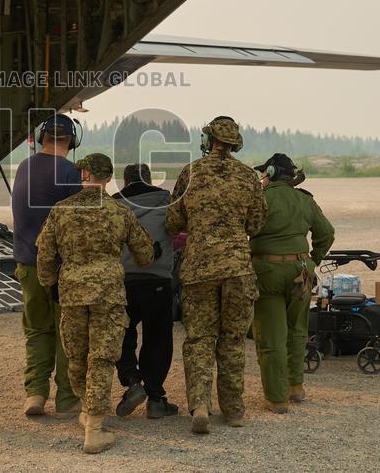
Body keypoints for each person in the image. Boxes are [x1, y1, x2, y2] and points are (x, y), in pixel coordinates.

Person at [37, 153, 154, 454]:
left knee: (77, 356)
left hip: (73, 292)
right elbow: (144, 255)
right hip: (108, 294)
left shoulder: (61, 210)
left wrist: (49, 281)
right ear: (108, 178)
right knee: (101, 359)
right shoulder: (120, 211)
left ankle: (87, 410)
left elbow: (45, 255)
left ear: (84, 175)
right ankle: (95, 426)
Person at [166, 116, 267, 434]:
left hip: (199, 268)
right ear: (236, 143)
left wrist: (197, 224)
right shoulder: (248, 176)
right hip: (237, 269)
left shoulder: (190, 172)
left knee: (199, 339)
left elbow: (173, 220)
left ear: (208, 140)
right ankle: (234, 409)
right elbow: (255, 225)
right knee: (233, 340)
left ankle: (200, 406)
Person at [250, 153, 334, 413]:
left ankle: (276, 399)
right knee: (297, 329)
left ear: (270, 173)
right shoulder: (305, 199)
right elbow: (326, 233)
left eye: (263, 173)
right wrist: (312, 260)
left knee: (272, 335)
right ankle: (295, 387)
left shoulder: (260, 199)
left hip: (267, 273)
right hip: (302, 271)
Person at [11, 114, 82, 417]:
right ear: (72, 141)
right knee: (67, 333)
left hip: (27, 266)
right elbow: (78, 224)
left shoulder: (23, 167)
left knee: (37, 330)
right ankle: (67, 399)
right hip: (60, 269)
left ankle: (35, 394)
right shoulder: (69, 172)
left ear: (42, 137)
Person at [111, 163, 179, 419]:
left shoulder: (114, 206)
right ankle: (155, 399)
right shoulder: (166, 202)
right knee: (158, 338)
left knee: (122, 334)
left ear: (125, 182)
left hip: (123, 281)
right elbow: (178, 230)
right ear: (150, 180)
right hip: (157, 281)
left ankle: (132, 381)